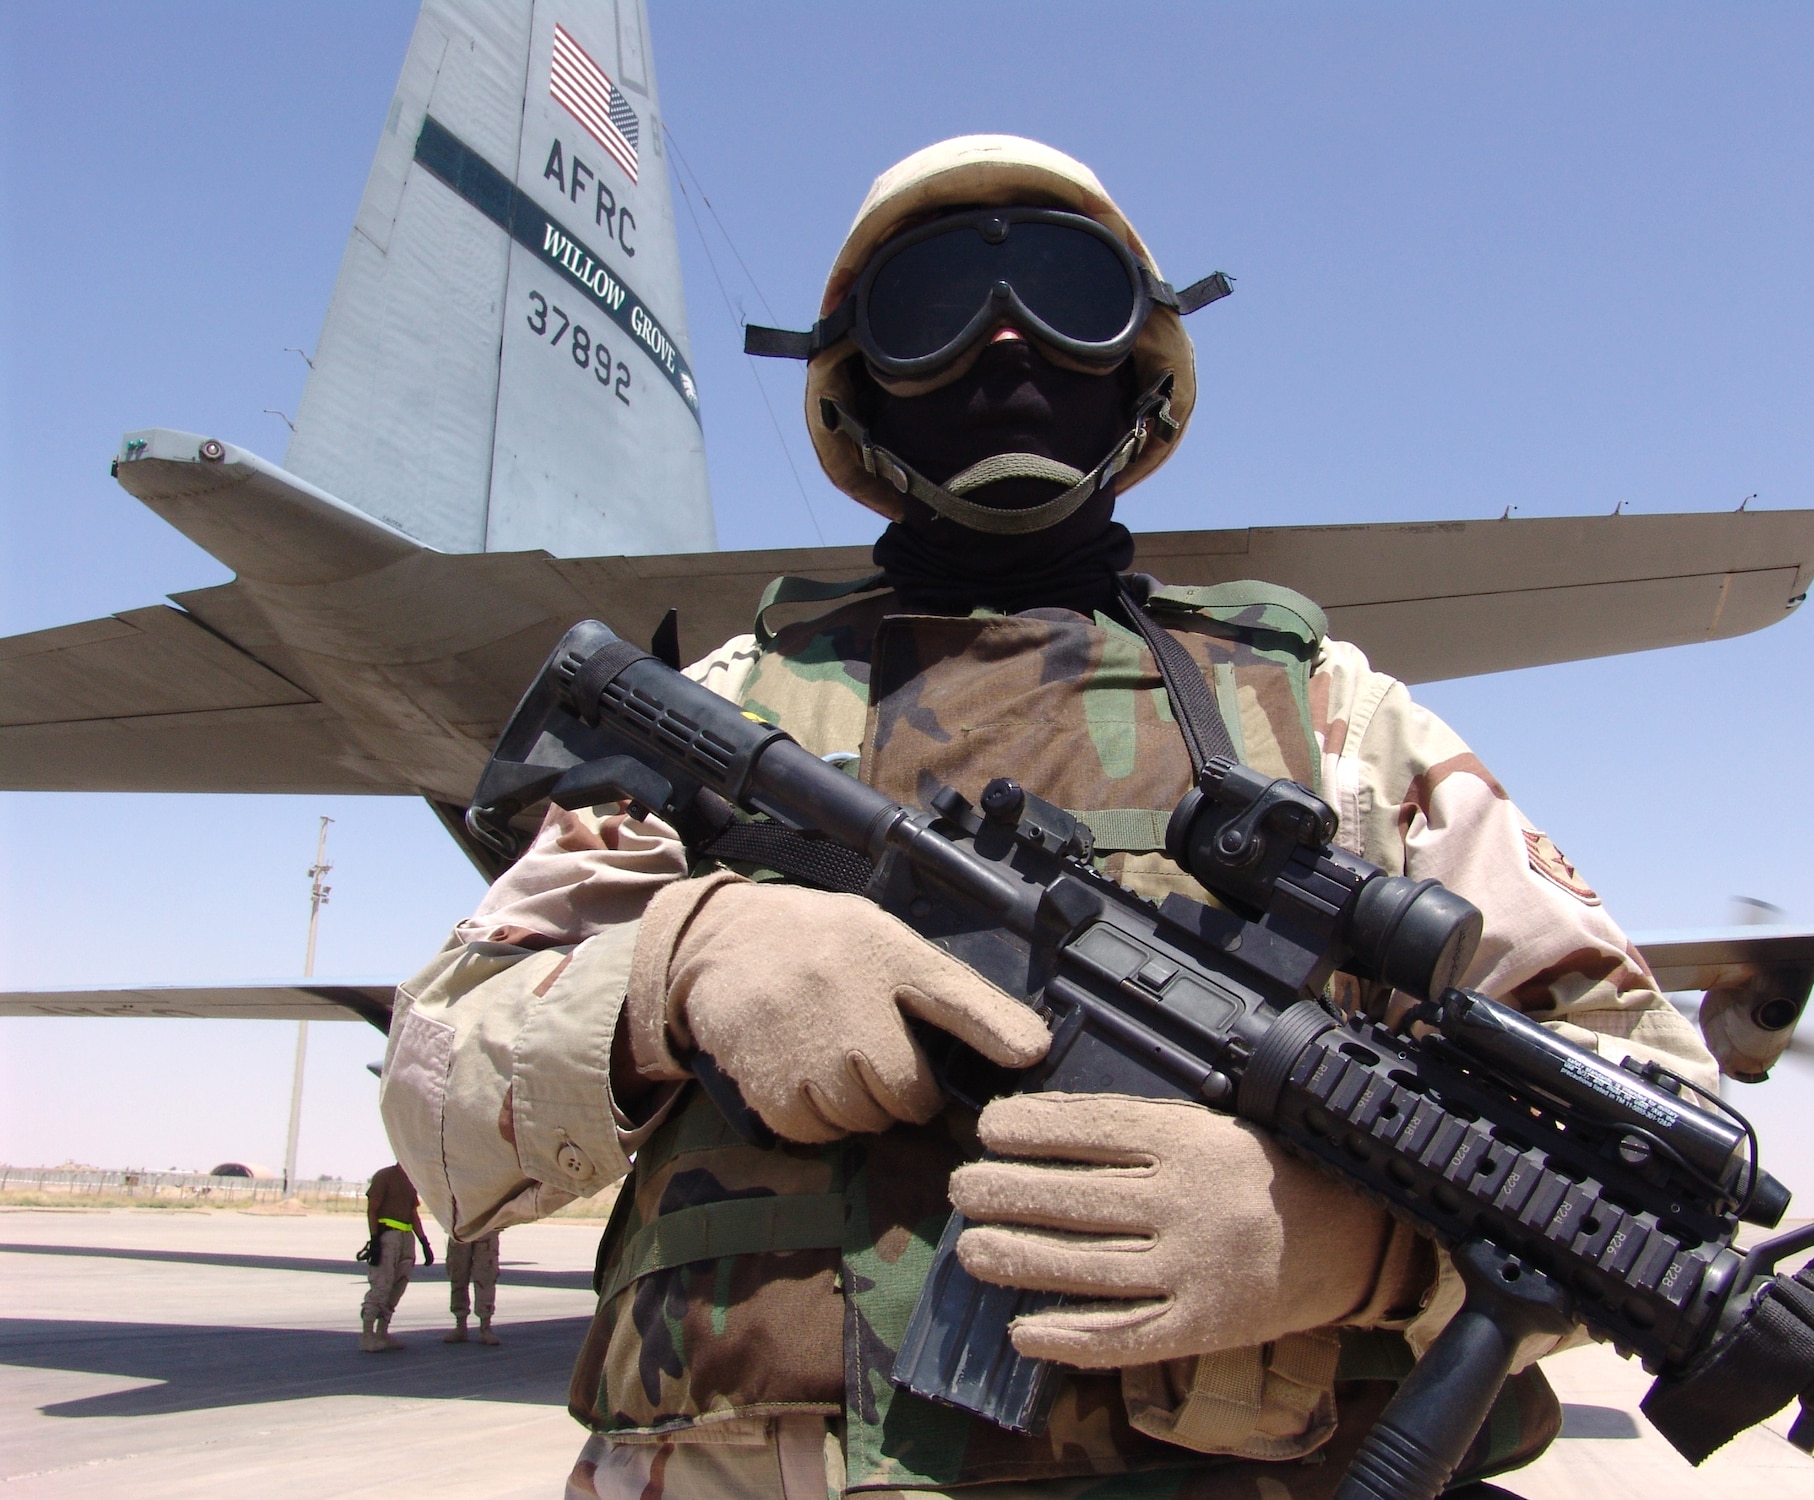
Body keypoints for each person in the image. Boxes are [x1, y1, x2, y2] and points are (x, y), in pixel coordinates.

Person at [381, 136, 1721, 1499]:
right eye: (934, 304)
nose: (1003, 337)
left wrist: (1363, 1245)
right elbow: (438, 1109)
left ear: (1143, 374)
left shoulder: (1330, 721)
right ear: (857, 391)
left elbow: (1655, 1123)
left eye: (1066, 297)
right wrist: (676, 965)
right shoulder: (742, 705)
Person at [360, 1160, 431, 1353]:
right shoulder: (385, 1176)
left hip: (406, 1238)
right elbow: (372, 1208)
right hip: (388, 1236)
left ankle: (382, 1332)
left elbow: (412, 1213)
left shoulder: (411, 1180)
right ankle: (367, 1335)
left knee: (398, 1285)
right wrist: (375, 1239)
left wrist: (424, 1241)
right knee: (381, 1285)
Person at [444, 1231, 501, 1344]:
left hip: (487, 1228)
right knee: (458, 1275)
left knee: (486, 1275)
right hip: (460, 1228)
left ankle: (485, 1326)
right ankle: (460, 1324)